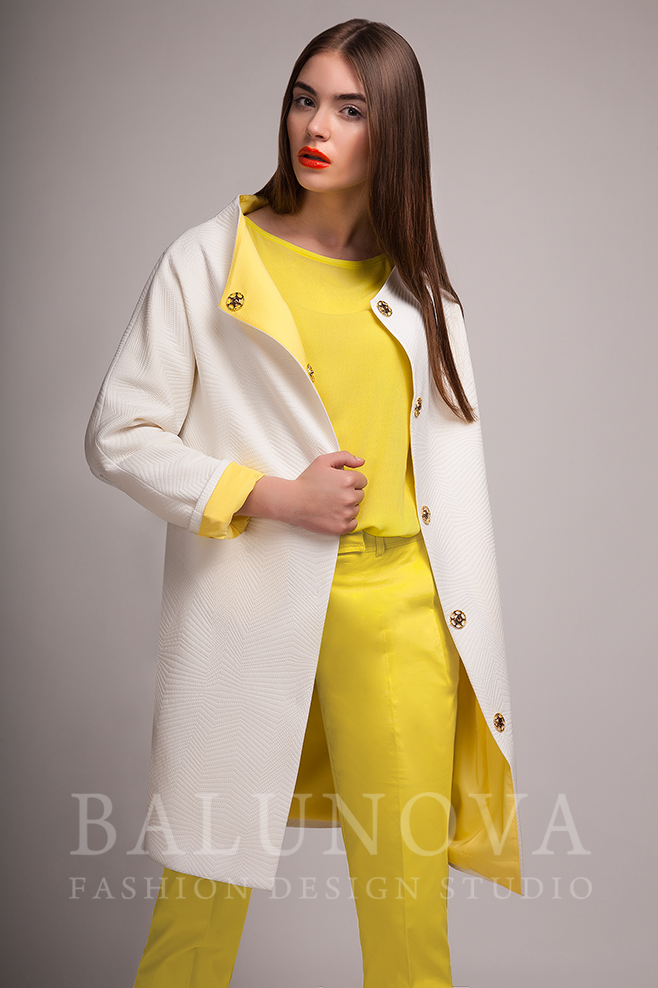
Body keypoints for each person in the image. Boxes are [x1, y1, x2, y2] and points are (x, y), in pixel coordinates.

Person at [85, 17, 522, 988]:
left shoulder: (423, 291)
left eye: (350, 110)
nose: (316, 127)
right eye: (303, 99)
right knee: (201, 898)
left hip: (400, 611)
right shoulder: (209, 258)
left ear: (394, 130)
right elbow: (118, 433)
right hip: (248, 600)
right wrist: (275, 495)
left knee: (407, 911)